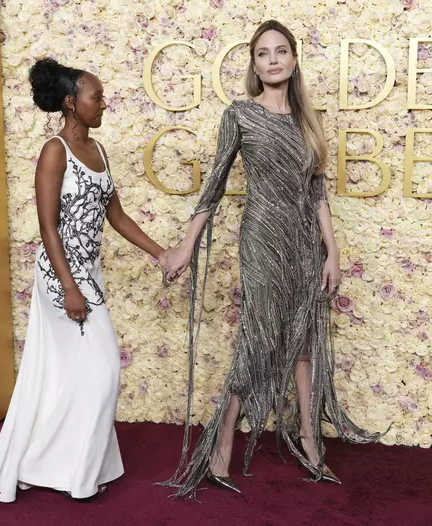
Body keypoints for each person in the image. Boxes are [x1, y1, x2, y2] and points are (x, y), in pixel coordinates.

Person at [159, 20, 386, 498]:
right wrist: (186, 244)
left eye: (281, 51)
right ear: (254, 65)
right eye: (263, 54)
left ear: (294, 59)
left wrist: (333, 249)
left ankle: (309, 437)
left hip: (306, 242)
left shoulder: (307, 120)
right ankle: (222, 439)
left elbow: (317, 189)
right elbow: (216, 183)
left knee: (303, 337)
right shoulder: (239, 114)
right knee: (260, 338)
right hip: (262, 237)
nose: (273, 60)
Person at [0, 58, 165, 503]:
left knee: (76, 376)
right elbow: (48, 228)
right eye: (96, 97)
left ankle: (54, 461)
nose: (103, 104)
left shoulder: (97, 151)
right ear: (70, 103)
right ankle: (76, 474)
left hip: (89, 275)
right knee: (103, 371)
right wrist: (70, 286)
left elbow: (115, 215)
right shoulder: (54, 151)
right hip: (62, 276)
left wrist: (161, 253)